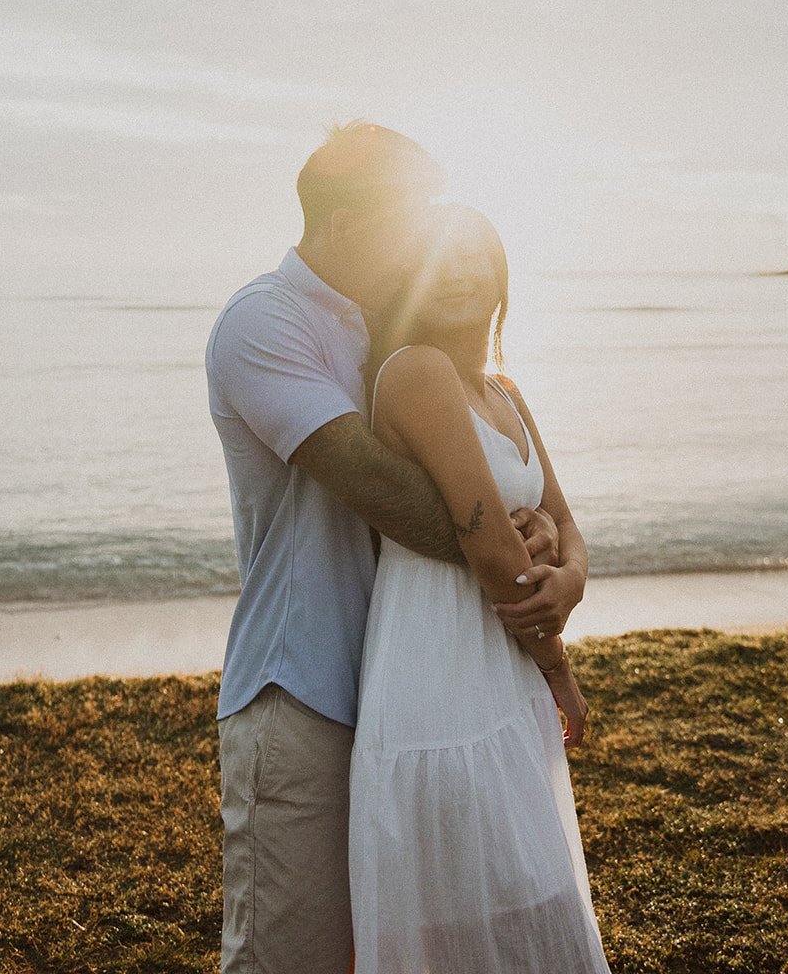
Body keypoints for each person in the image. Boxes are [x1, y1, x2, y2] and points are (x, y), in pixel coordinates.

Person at [206, 123, 577, 973]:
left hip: (412, 680)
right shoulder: (263, 322)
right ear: (341, 228)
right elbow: (377, 489)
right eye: (406, 220)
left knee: (395, 945)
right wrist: (509, 533)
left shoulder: (389, 324)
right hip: (301, 687)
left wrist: (538, 525)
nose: (423, 239)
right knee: (284, 955)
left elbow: (477, 450)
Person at [350, 203, 612, 972]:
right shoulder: (416, 371)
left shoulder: (503, 388)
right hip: (441, 672)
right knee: (465, 913)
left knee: (531, 892)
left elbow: (562, 519)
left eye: (478, 257)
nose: (462, 272)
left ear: (500, 273)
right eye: (442, 256)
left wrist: (570, 579)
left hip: (507, 666)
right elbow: (491, 547)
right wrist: (558, 667)